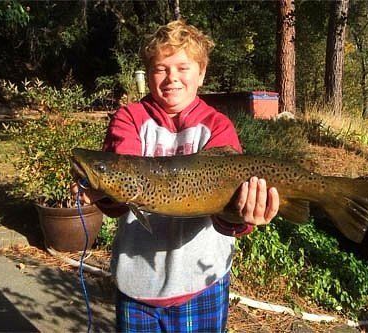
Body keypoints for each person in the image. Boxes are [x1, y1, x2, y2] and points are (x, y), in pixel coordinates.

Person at [71, 20, 279, 332]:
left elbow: (231, 218)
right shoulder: (129, 118)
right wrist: (100, 190)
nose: (172, 78)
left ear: (202, 72)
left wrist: (243, 216)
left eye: (183, 67)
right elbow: (121, 185)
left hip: (203, 281)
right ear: (146, 73)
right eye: (160, 68)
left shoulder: (218, 126)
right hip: (138, 285)